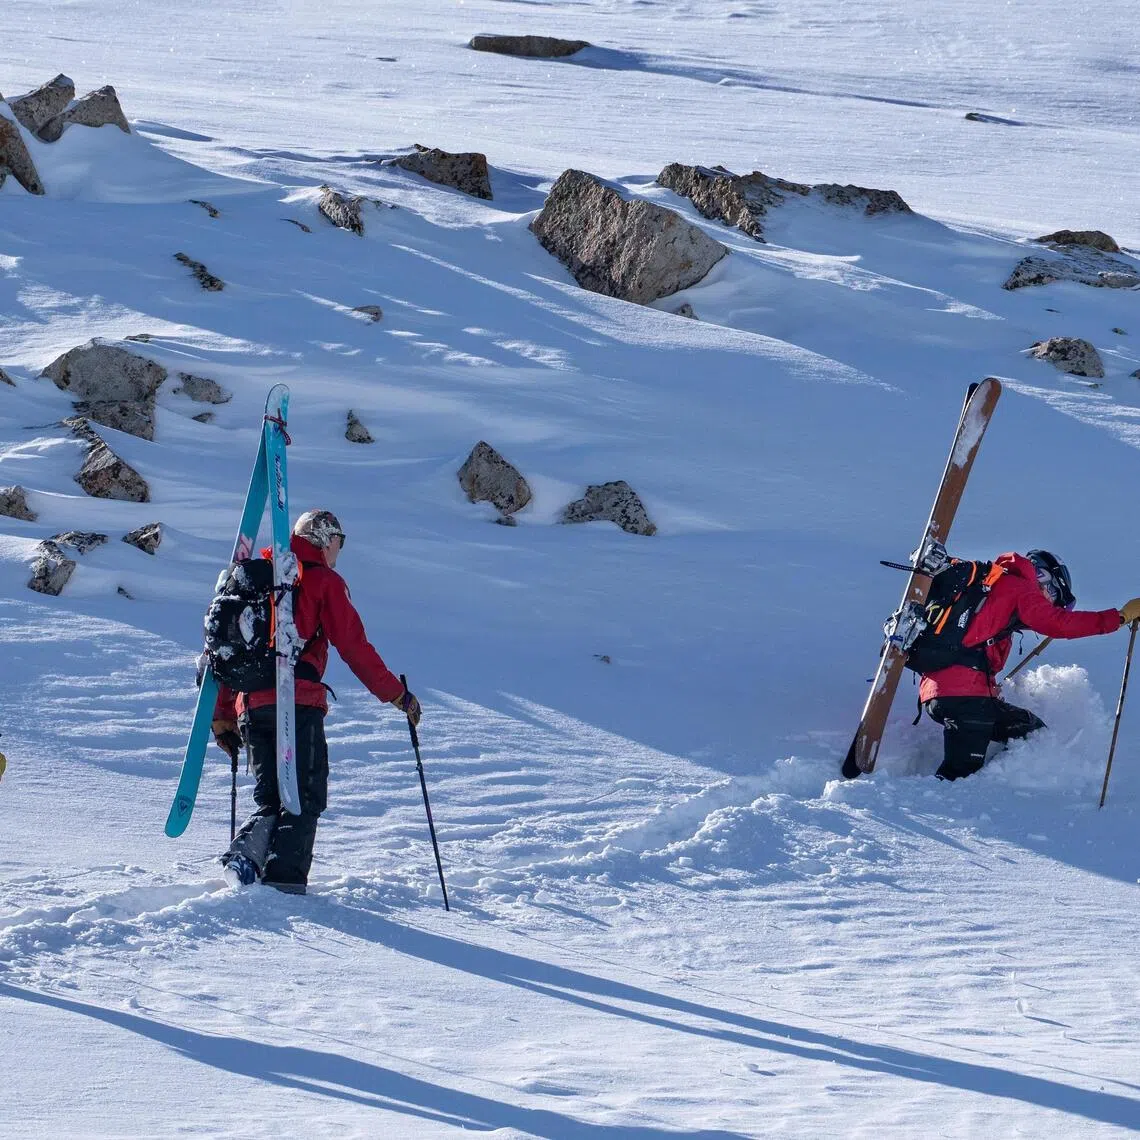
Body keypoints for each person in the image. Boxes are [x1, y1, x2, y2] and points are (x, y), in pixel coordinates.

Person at [211, 509, 421, 893]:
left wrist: (223, 712)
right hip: (297, 704)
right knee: (304, 796)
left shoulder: (259, 578)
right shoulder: (322, 580)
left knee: (273, 795)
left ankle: (249, 864)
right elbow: (354, 646)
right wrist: (396, 694)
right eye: (339, 541)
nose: (340, 550)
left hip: (251, 706)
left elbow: (231, 646)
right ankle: (282, 886)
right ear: (326, 538)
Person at [920, 549, 1140, 781]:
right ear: (1043, 577)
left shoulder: (995, 587)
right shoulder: (1019, 588)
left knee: (1031, 732)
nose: (1051, 600)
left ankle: (997, 787)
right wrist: (1120, 617)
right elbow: (1059, 624)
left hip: (945, 694)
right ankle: (978, 798)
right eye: (1054, 592)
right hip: (964, 698)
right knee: (957, 778)